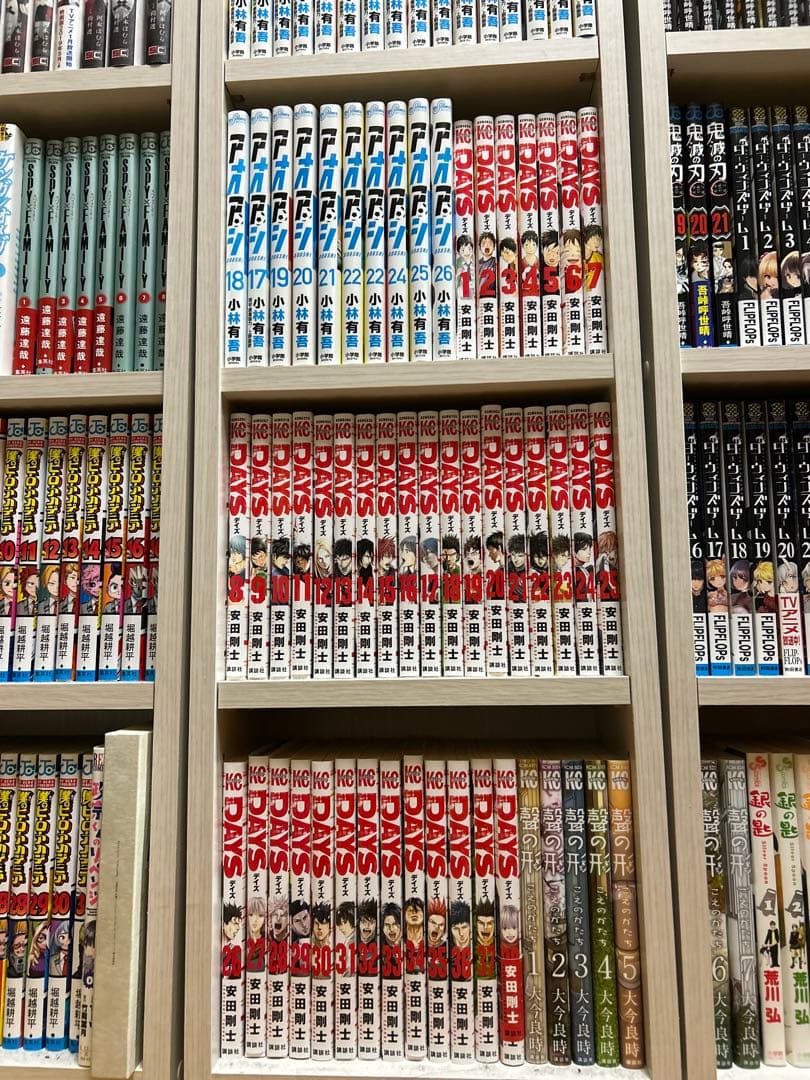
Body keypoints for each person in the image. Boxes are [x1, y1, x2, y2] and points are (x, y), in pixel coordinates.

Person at [245, 897, 266, 971]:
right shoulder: (241, 940)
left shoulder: (267, 942)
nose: (255, 920)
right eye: (251, 915)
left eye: (260, 915)